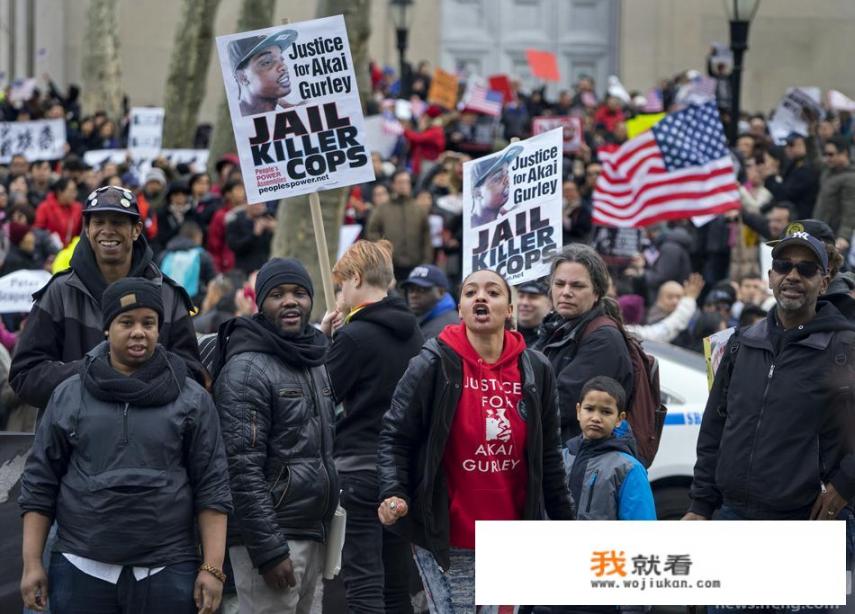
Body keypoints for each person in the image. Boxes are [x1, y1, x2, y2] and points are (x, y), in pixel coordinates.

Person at [18, 278, 231, 614]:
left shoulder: (191, 398)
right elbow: (40, 484)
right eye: (126, 322)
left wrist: (212, 567)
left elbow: (212, 486)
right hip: (80, 568)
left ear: (160, 330)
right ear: (106, 328)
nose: (138, 332)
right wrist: (32, 564)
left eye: (149, 323)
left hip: (168, 570)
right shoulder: (69, 394)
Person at [376, 268, 574, 612]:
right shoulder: (432, 363)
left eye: (493, 292)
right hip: (447, 534)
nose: (481, 297)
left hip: (512, 535)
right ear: (462, 309)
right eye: (470, 293)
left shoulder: (536, 369)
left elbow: (549, 457)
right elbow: (395, 435)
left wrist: (565, 525)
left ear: (509, 310)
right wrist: (393, 491)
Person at [683, 232, 855, 614]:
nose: (792, 275)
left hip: (803, 528)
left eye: (806, 268)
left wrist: (845, 483)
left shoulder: (846, 346)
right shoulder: (742, 343)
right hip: (733, 520)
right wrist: (700, 504)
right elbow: (715, 429)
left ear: (823, 282)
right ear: (770, 275)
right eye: (783, 266)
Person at [213, 259, 338, 614]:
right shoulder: (246, 368)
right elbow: (240, 469)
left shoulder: (313, 359)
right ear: (260, 302)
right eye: (277, 294)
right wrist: (268, 550)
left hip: (312, 532)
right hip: (273, 539)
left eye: (299, 293)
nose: (290, 301)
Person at [9, 185, 204, 412]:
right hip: (74, 440)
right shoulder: (59, 292)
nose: (107, 231)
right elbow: (25, 375)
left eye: (118, 222)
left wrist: (139, 380)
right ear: (87, 229)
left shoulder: (168, 295)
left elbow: (192, 374)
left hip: (153, 440)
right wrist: (92, 373)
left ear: (136, 229)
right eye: (99, 222)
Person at [320, 239, 424, 614]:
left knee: (363, 583)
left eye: (341, 285)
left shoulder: (353, 336)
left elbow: (321, 396)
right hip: (401, 473)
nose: (340, 293)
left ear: (357, 278)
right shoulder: (414, 333)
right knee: (397, 586)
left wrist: (324, 340)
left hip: (359, 470)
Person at [535, 244, 634, 441]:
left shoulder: (604, 339)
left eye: (577, 286)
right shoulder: (556, 328)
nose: (566, 292)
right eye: (559, 284)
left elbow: (561, 404)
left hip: (580, 460)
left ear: (597, 292)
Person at [564, 376, 656, 521]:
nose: (596, 418)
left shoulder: (628, 469)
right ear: (578, 411)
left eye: (606, 412)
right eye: (589, 409)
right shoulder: (561, 458)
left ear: (620, 419)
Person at [365, 170, 433, 283]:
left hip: (415, 265)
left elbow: (426, 238)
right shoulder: (382, 209)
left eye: (407, 182)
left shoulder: (418, 209)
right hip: (390, 266)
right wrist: (384, 254)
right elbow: (372, 233)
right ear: (393, 185)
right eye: (400, 182)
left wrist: (426, 262)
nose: (404, 185)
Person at [228, 29, 299, 117]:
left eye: (281, 59)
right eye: (267, 62)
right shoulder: (237, 124)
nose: (283, 66)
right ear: (242, 77)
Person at [814, 135, 855, 255]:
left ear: (844, 153)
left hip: (835, 237)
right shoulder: (829, 170)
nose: (827, 158)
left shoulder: (851, 178)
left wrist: (843, 237)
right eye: (825, 154)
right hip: (821, 231)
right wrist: (812, 137)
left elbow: (850, 209)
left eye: (831, 154)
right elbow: (814, 160)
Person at [764, 133, 820, 220]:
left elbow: (784, 195)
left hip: (800, 220)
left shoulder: (807, 170)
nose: (788, 149)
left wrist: (770, 178)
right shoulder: (794, 164)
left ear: (804, 146)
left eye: (791, 145)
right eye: (787, 145)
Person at [468, 145, 523, 228]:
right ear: (477, 192)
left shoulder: (511, 219)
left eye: (507, 174)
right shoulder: (466, 230)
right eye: (497, 178)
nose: (506, 180)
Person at [400, 264, 459, 339]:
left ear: (440, 292)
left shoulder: (446, 327)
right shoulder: (426, 317)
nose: (413, 295)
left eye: (421, 290)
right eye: (410, 290)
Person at [226, 201, 276, 275]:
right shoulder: (236, 221)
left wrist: (275, 230)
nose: (259, 206)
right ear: (247, 204)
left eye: (262, 203)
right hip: (244, 270)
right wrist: (254, 235)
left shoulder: (269, 218)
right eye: (256, 203)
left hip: (266, 268)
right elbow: (234, 246)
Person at [34, 178, 82, 248]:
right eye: (71, 191)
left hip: (70, 252)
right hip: (50, 251)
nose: (74, 194)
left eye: (75, 191)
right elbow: (38, 231)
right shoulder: (44, 208)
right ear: (60, 192)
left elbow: (80, 232)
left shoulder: (78, 208)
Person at [516, 279, 551, 347]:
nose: (524, 303)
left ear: (550, 303)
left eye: (533, 297)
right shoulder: (502, 335)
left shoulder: (557, 337)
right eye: (521, 296)